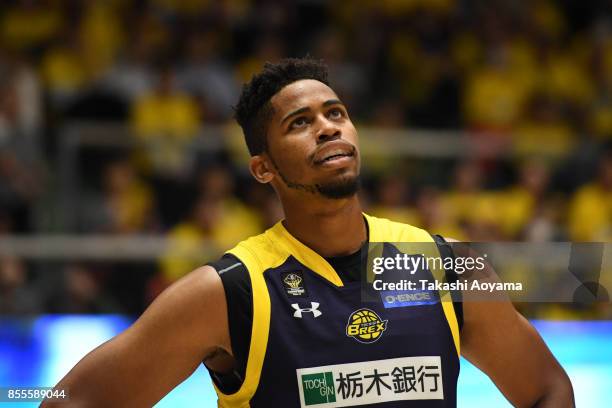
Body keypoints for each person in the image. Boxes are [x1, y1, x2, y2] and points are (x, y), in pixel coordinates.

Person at [42, 58, 574, 407]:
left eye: (336, 112)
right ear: (263, 168)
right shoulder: (227, 291)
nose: (328, 127)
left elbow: (548, 388)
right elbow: (71, 401)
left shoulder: (449, 265)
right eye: (300, 122)